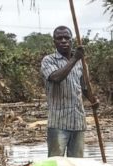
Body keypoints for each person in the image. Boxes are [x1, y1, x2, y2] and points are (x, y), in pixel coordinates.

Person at [40, 26, 97, 158]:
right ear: (54, 42)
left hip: (78, 121)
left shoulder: (81, 63)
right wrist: (74, 59)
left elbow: (84, 87)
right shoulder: (49, 60)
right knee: (56, 162)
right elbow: (56, 78)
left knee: (77, 164)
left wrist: (93, 100)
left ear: (72, 41)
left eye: (67, 38)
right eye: (59, 38)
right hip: (58, 122)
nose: (64, 41)